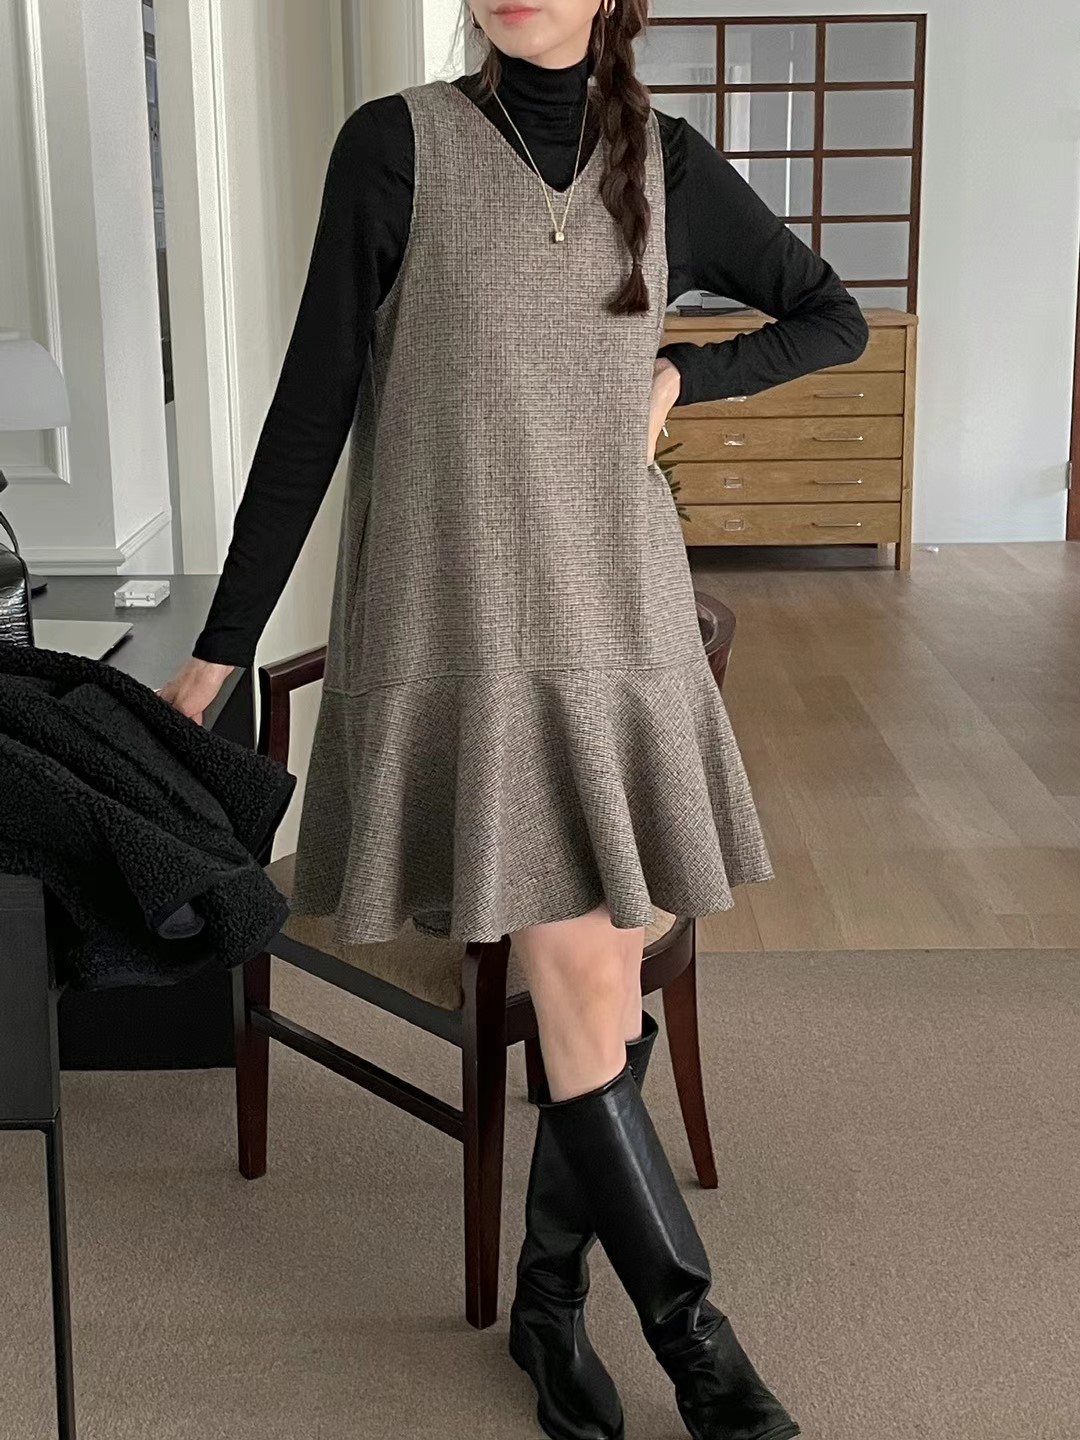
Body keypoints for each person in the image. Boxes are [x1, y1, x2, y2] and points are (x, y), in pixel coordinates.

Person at [160, 2, 868, 1435]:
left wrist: (684, 372)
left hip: (616, 631)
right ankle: (700, 1354)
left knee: (586, 983)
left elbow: (829, 315)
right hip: (464, 635)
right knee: (588, 977)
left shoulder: (668, 163)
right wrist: (218, 654)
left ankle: (553, 1312)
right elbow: (311, 409)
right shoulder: (394, 147)